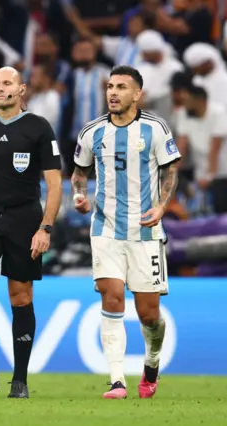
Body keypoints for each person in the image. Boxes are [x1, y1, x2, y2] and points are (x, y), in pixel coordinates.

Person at [71, 65, 181, 399]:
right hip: (105, 228)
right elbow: (79, 173)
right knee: (111, 295)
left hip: (145, 231)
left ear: (137, 94)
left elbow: (171, 169)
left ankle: (151, 362)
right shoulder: (92, 131)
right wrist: (79, 195)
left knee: (149, 314)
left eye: (121, 87)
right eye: (109, 86)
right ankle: (117, 379)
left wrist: (161, 207)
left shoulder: (155, 128)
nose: (113, 93)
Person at [0, 67, 63, 398]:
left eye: (7, 83)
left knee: (21, 295)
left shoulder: (38, 127)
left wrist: (45, 227)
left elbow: (54, 182)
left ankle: (20, 378)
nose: (0, 89)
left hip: (24, 219)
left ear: (21, 90)